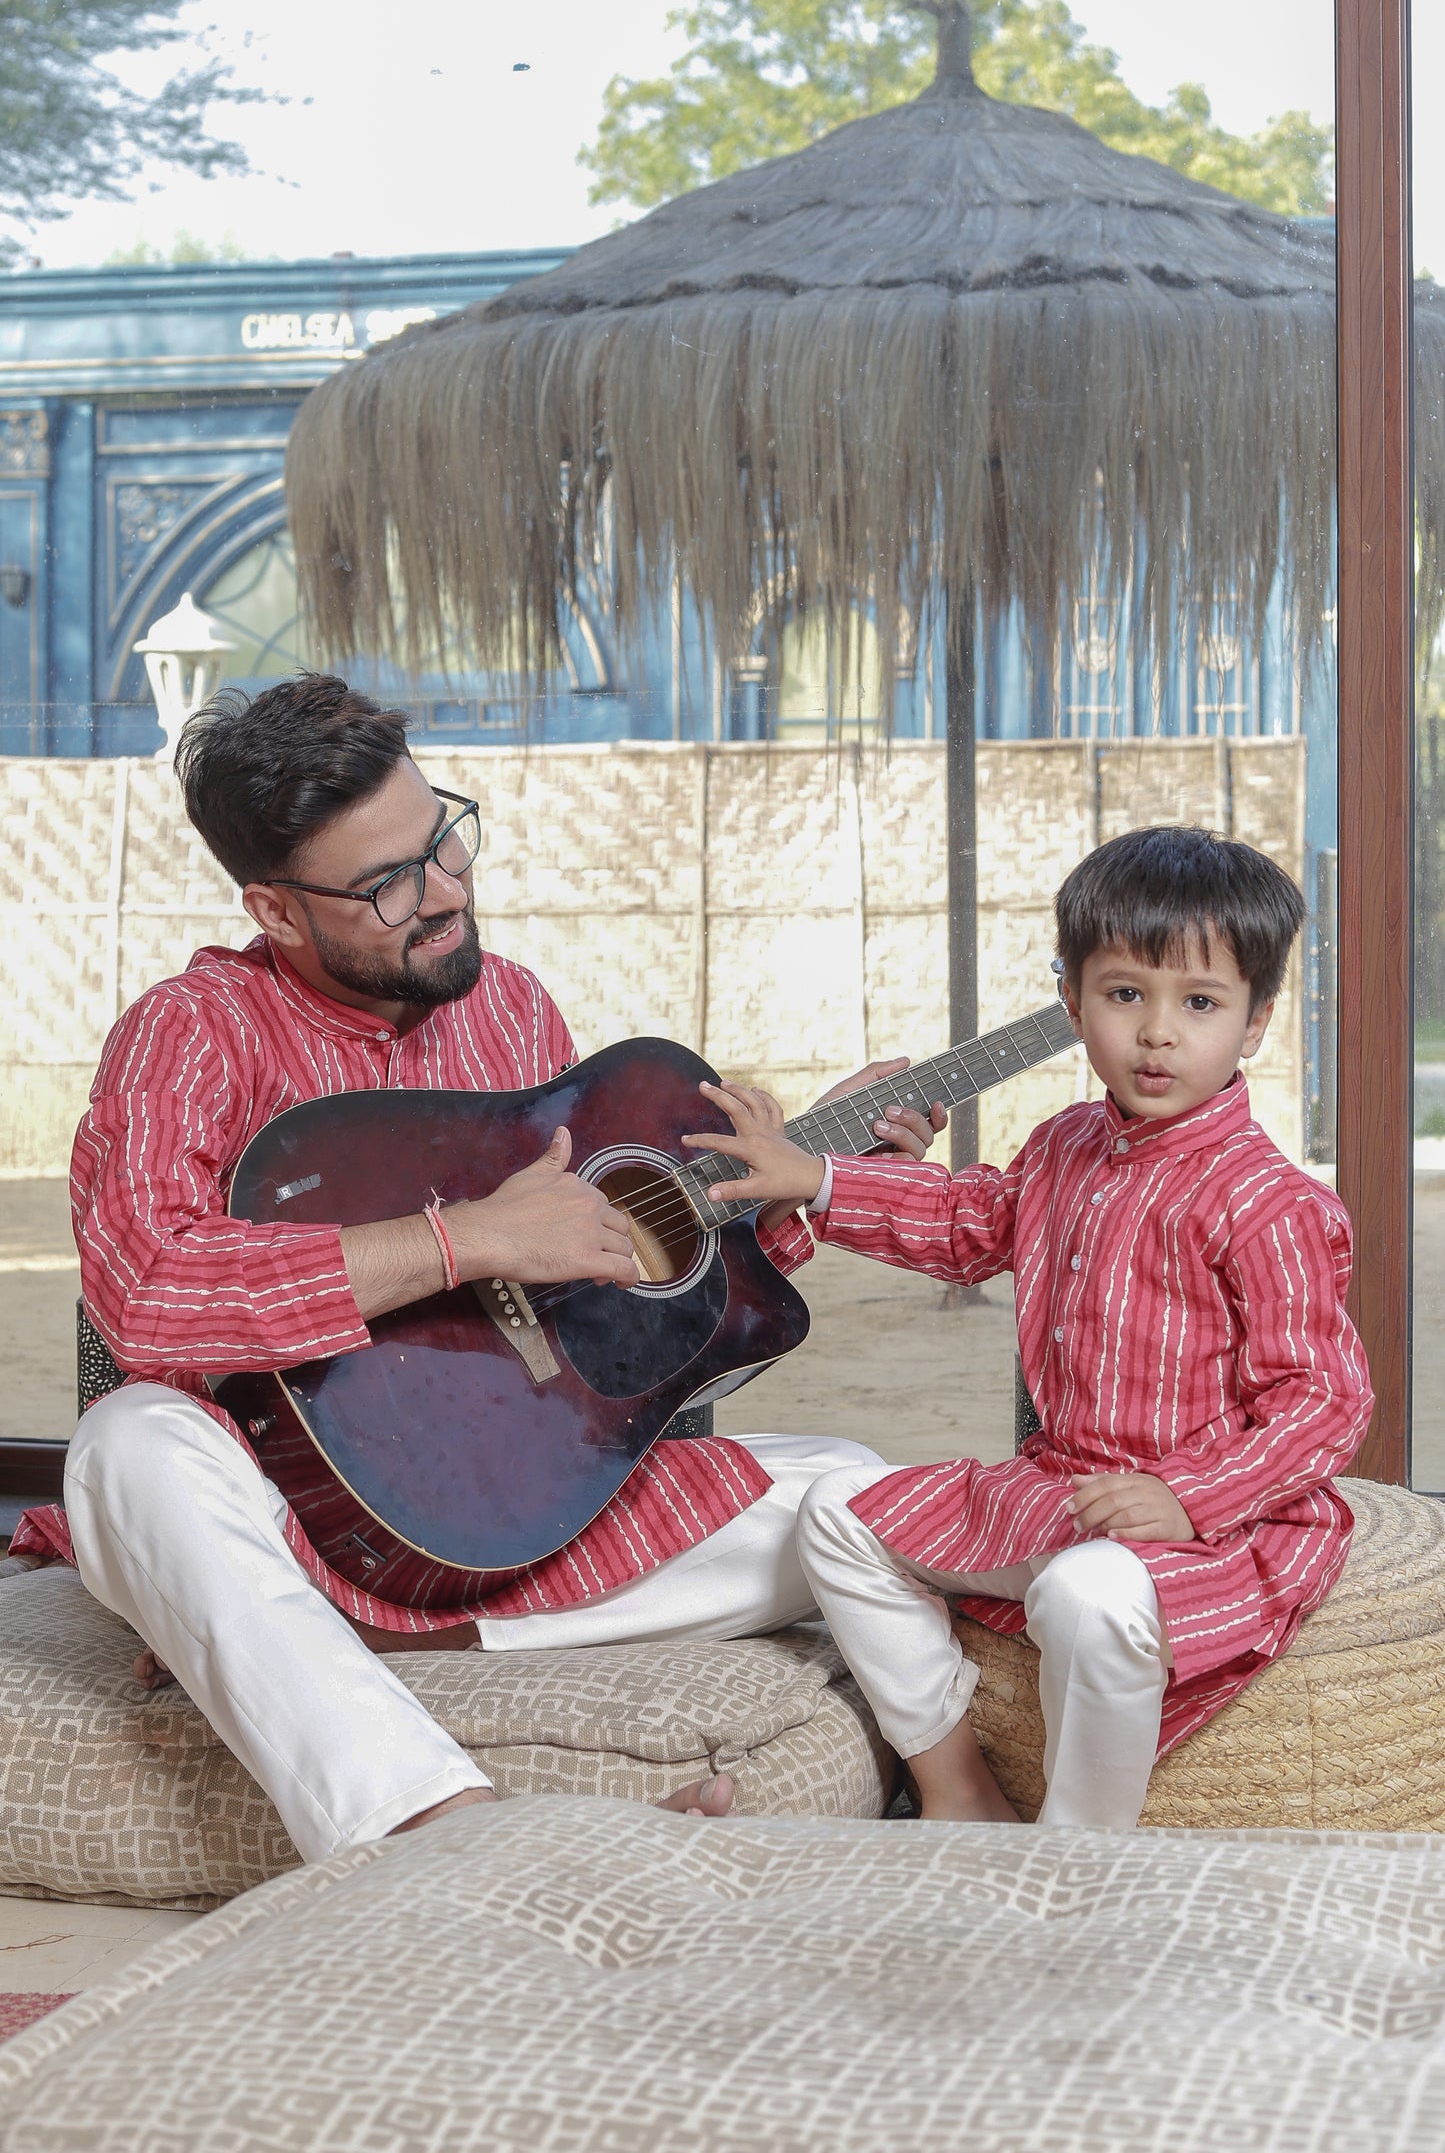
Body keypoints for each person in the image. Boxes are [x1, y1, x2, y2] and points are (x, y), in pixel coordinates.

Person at [15, 674, 945, 1860]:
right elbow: (146, 1293)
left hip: (506, 1519)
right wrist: (467, 1238)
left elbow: (587, 1309)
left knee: (856, 1493)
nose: (446, 891)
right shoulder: (191, 1030)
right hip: (281, 1507)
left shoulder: (508, 1007)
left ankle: (321, 1645)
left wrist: (792, 1179)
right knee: (130, 1446)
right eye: (389, 882)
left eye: (442, 838)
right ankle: (444, 1827)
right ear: (277, 908)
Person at [683, 825, 1374, 1828]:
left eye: (1199, 1002)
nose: (1155, 1032)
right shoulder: (1061, 1147)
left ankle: (1074, 1850)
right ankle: (957, 1786)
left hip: (1211, 1524)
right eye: (1123, 993)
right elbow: (966, 1225)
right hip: (1058, 1489)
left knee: (1083, 1598)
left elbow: (1322, 1399)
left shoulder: (1266, 1202)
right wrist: (814, 1177)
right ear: (1070, 1002)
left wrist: (1181, 1495)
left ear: (1255, 1021)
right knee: (834, 1512)